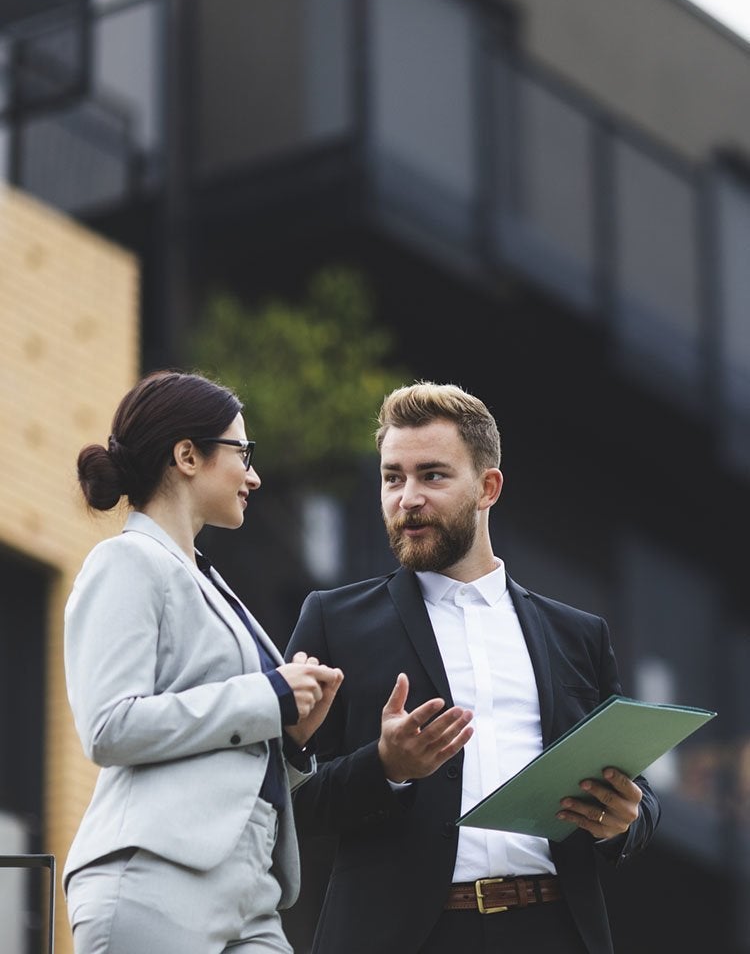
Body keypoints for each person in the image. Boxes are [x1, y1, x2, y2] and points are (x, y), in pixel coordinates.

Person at [286, 381, 660, 954]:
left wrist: (626, 819)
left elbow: (635, 791)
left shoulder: (578, 635)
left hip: (553, 928)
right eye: (393, 477)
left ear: (488, 487)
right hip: (404, 937)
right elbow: (285, 797)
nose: (407, 497)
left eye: (432, 475)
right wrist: (385, 766)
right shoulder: (333, 620)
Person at [63, 369, 343, 954]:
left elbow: (229, 757)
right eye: (243, 452)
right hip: (155, 880)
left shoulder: (209, 582)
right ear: (187, 455)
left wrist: (289, 737)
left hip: (253, 895)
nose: (255, 475)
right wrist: (268, 697)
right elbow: (109, 726)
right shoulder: (126, 562)